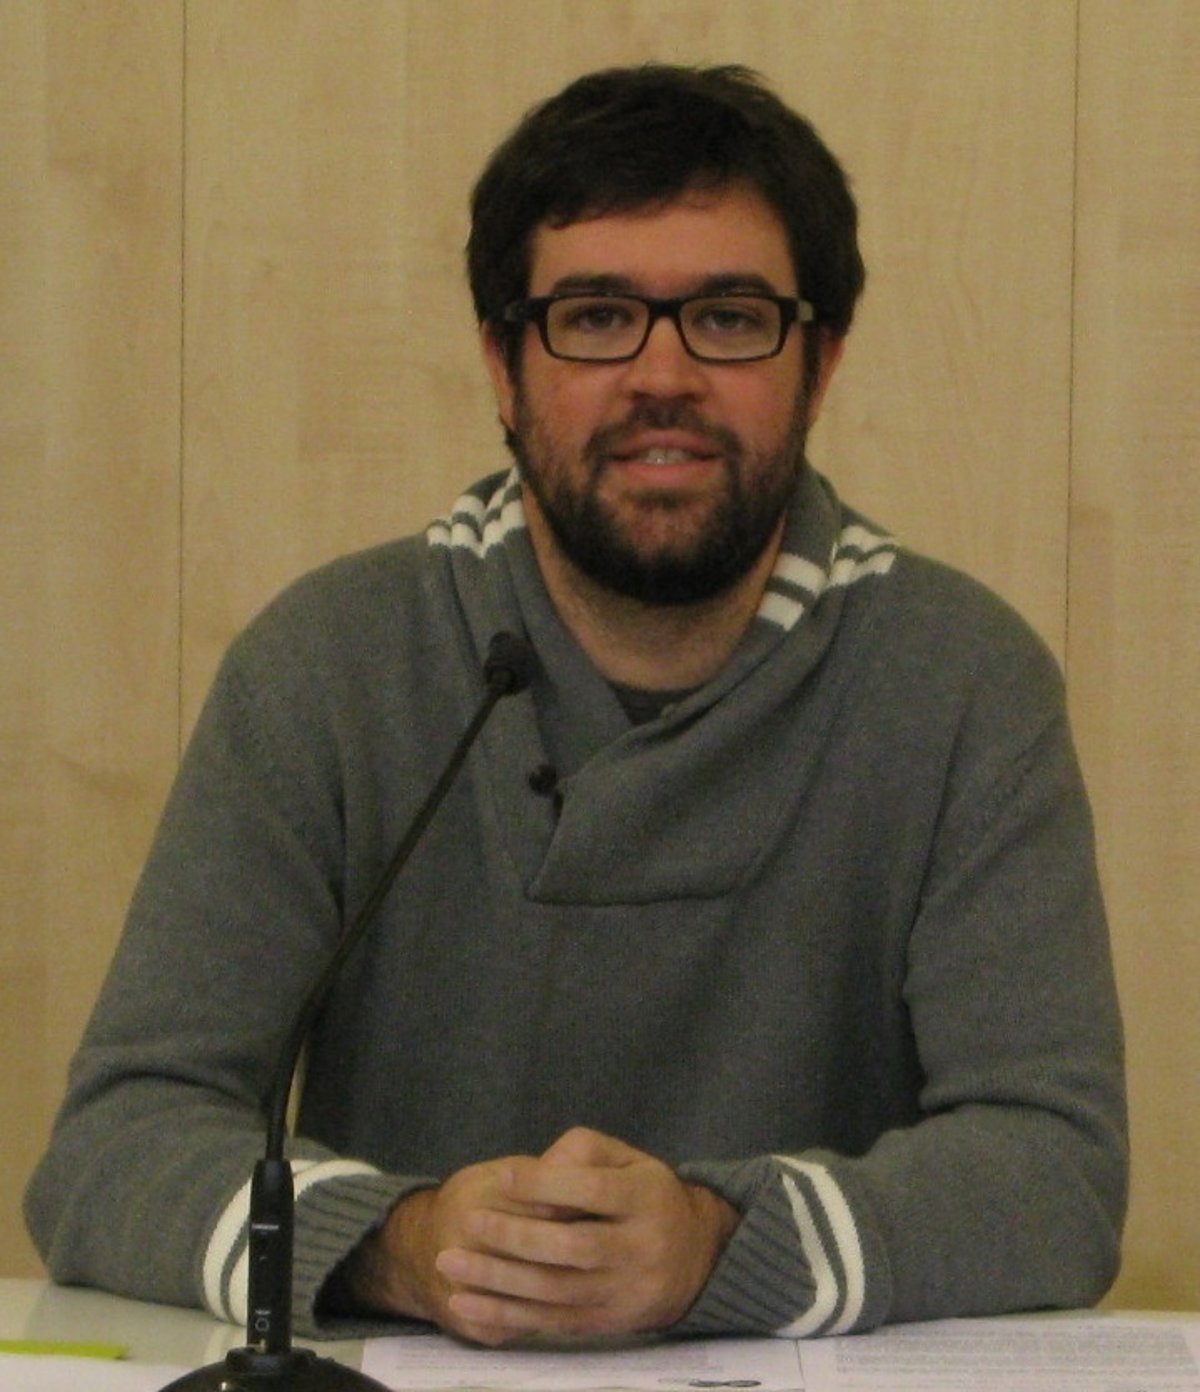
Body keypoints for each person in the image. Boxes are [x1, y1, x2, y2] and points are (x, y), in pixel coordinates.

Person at [25, 63, 1127, 1347]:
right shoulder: (327, 665)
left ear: (819, 364)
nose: (663, 374)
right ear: (502, 365)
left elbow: (1055, 1172)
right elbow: (115, 1146)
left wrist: (717, 1246)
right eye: (596, 317)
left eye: (728, 318)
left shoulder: (961, 681)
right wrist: (407, 1244)